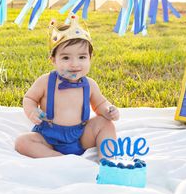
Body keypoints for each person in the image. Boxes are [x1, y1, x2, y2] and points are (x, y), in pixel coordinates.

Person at [15, 14, 120, 159]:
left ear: (90, 58)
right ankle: (57, 158)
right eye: (65, 58)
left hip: (80, 136)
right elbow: (29, 98)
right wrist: (32, 110)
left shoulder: (90, 84)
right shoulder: (45, 81)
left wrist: (109, 110)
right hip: (48, 137)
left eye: (82, 57)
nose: (75, 64)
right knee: (22, 142)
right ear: (53, 60)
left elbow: (100, 104)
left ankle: (108, 161)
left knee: (106, 124)